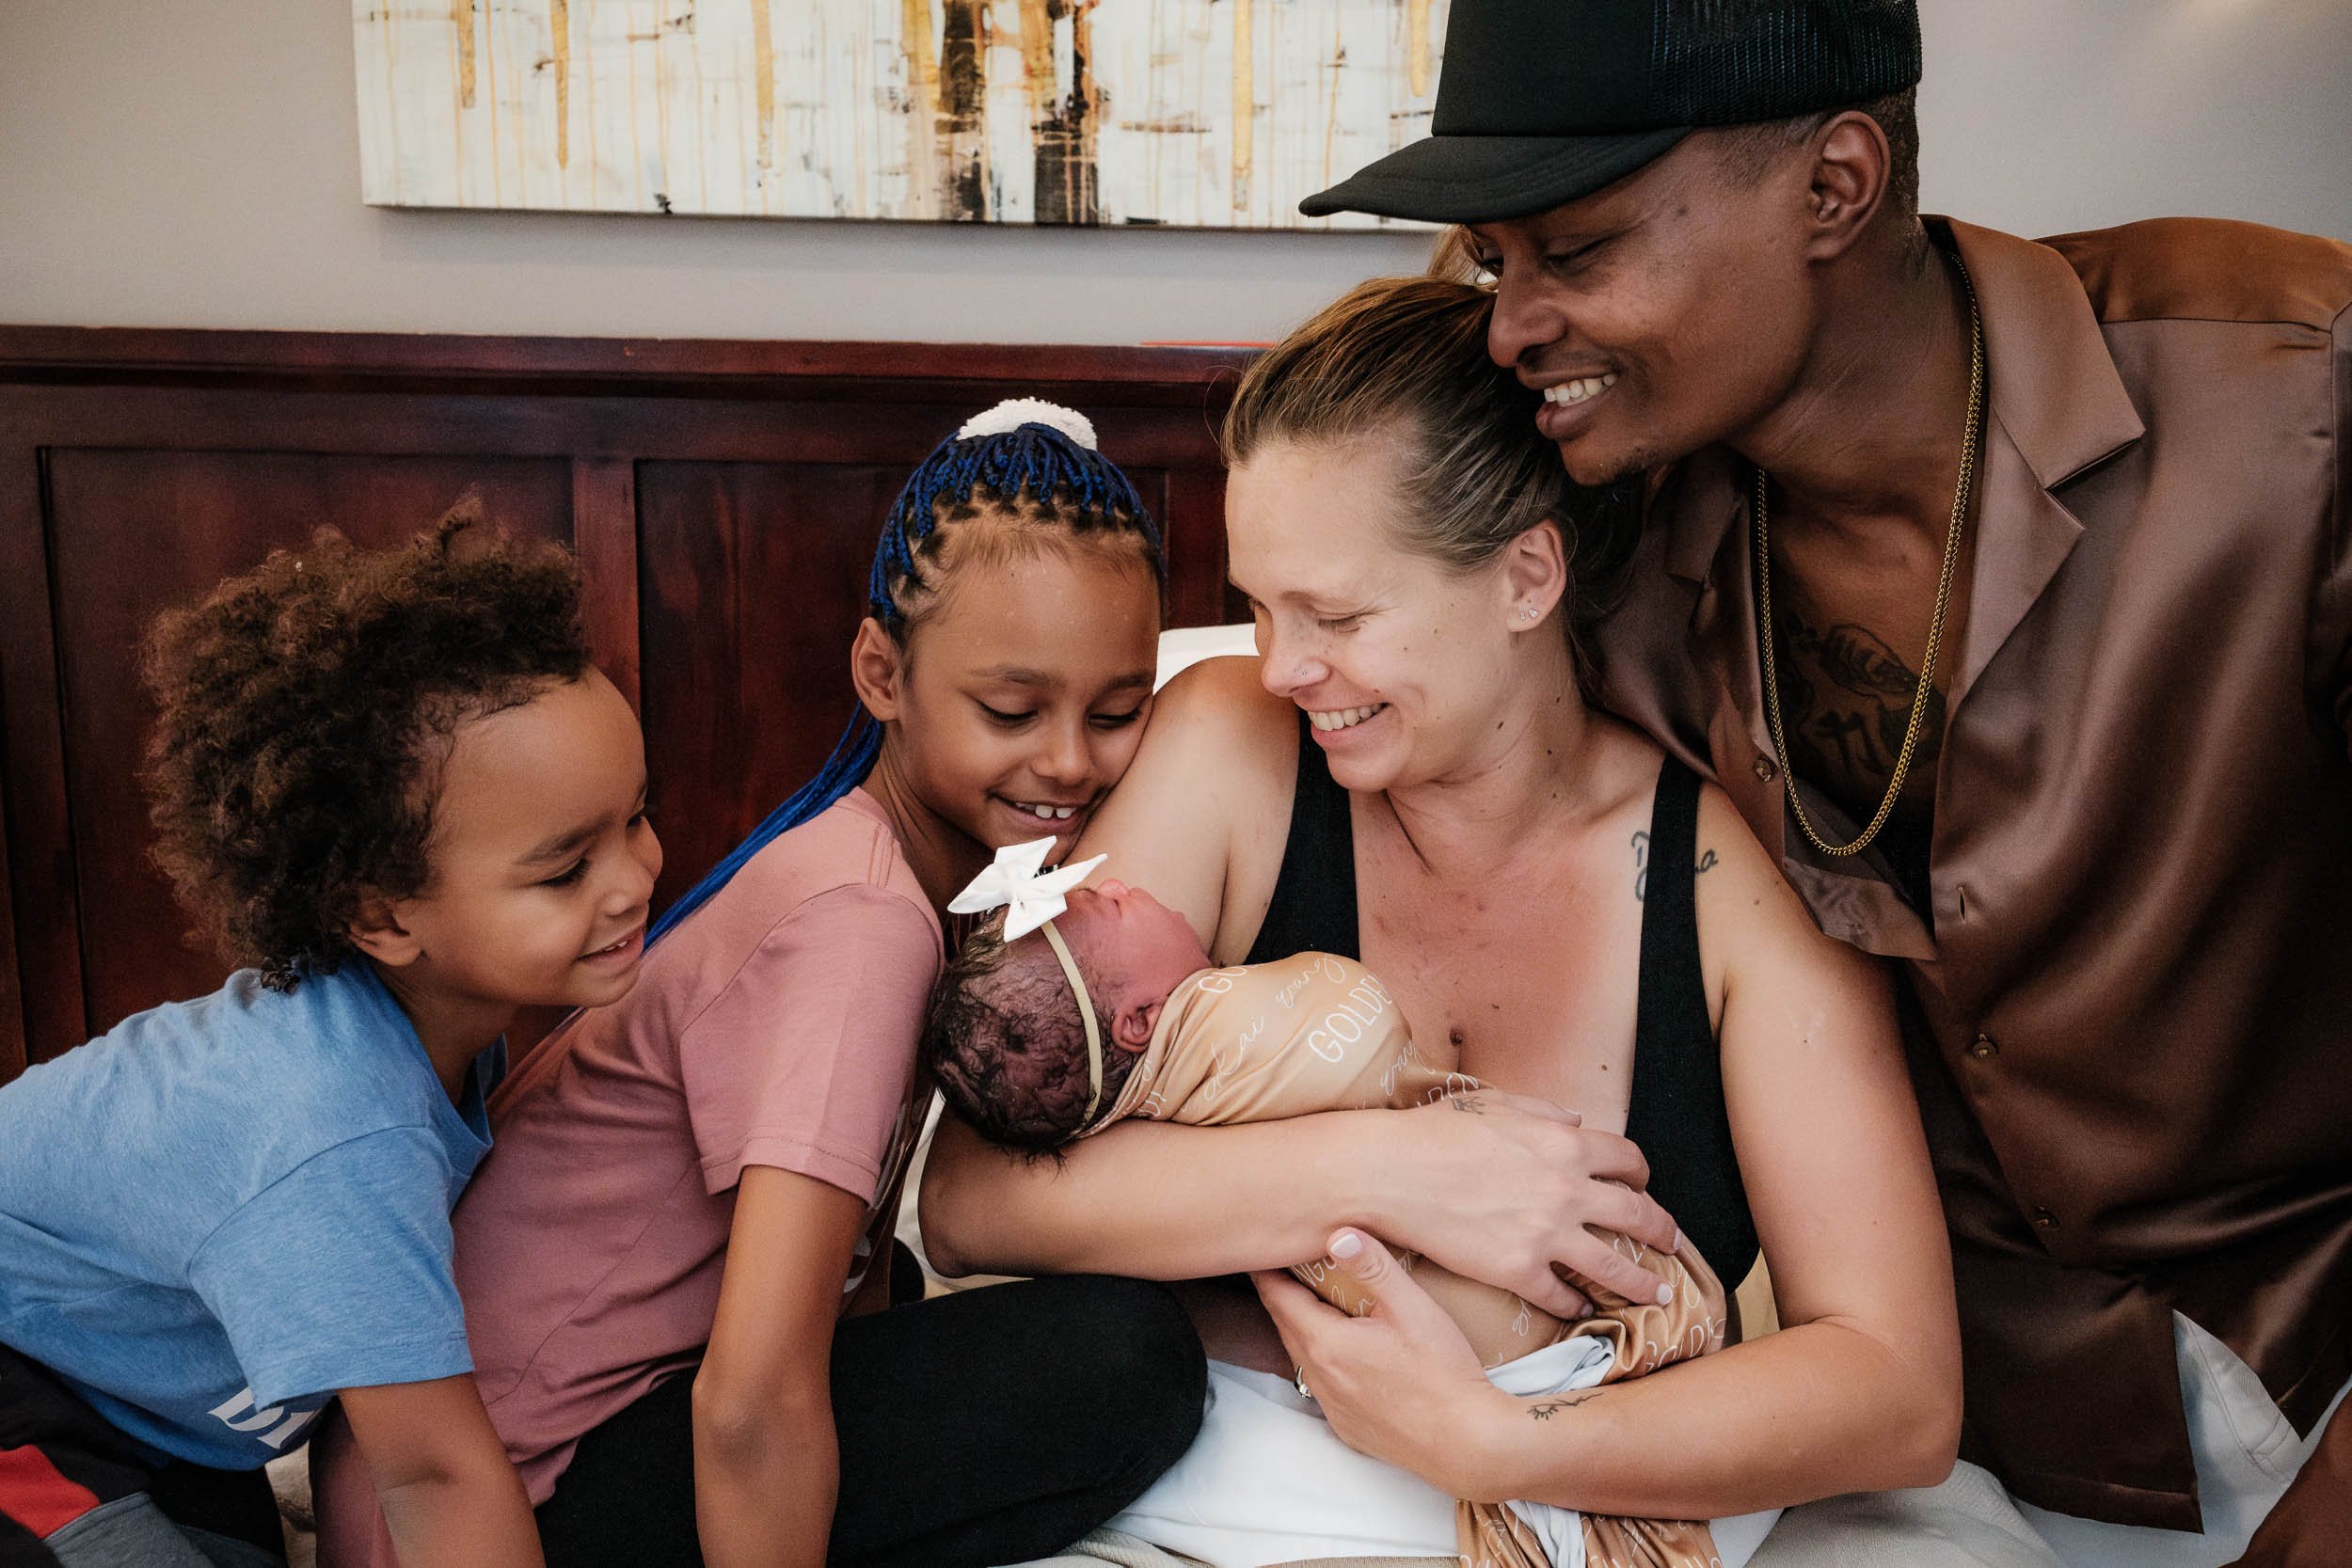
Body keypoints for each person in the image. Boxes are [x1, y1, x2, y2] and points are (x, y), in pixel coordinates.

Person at [1296, 3, 2352, 1566]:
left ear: (1835, 186)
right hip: (1934, 1436)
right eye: (1494, 262)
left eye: (1572, 251)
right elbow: (1310, 682)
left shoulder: (2294, 401)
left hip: (2312, 1370)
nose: (1512, 322)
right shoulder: (1605, 563)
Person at [921, 276, 1960, 1568]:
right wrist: (1393, 1171)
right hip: (1207, 1468)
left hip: (1570, 1471)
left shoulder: (1732, 895)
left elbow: (1899, 1386)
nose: (1282, 661)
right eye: (1258, 604)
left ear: (1527, 574)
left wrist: (1494, 1448)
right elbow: (971, 1194)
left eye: (1338, 615)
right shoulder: (1240, 747)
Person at [310, 401, 1206, 1568]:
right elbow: (750, 1396)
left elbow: (853, 1277)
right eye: (1009, 709)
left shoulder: (894, 883)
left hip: (532, 1458)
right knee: (1121, 1353)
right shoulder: (861, 923)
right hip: (495, 1504)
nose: (1069, 760)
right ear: (881, 672)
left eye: (1118, 711)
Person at [0, 518, 660, 1568]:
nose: (635, 875)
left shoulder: (445, 1024)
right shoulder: (331, 1132)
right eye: (563, 868)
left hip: (150, 1411)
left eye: (635, 816)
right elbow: (436, 1475)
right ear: (385, 915)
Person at [925, 871, 1732, 1568]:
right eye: (1108, 902)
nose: (1127, 883)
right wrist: (1378, 1169)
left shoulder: (1132, 1076)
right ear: (1137, 1024)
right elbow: (956, 1205)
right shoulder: (1227, 1026)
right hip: (1466, 1371)